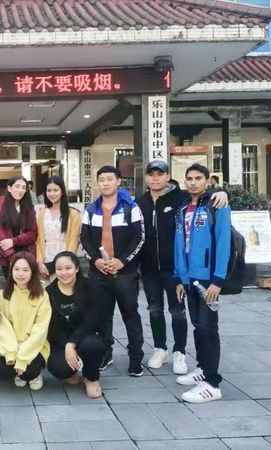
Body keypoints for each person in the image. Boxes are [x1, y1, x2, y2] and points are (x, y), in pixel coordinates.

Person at [136, 160, 228, 375]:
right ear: (146, 177)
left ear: (168, 176)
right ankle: (160, 348)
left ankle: (180, 351)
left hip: (177, 268)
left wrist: (222, 192)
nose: (155, 178)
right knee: (154, 310)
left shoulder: (180, 199)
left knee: (178, 311)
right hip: (150, 267)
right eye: (151, 174)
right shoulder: (139, 202)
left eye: (160, 174)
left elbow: (206, 197)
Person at [80, 165, 145, 377]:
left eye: (110, 179)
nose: (105, 183)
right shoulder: (91, 210)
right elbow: (84, 239)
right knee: (102, 317)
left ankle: (136, 358)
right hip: (98, 273)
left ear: (118, 182)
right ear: (97, 183)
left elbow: (139, 237)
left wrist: (122, 261)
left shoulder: (130, 208)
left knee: (130, 316)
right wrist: (95, 260)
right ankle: (105, 354)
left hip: (125, 273)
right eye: (102, 180)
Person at [174, 163, 231, 403]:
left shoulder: (217, 204)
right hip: (189, 278)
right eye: (189, 178)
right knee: (198, 326)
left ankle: (212, 383)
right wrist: (180, 278)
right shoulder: (182, 206)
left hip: (209, 279)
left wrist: (218, 280)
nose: (193, 182)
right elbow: (179, 244)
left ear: (208, 181)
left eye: (198, 178)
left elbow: (224, 242)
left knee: (208, 328)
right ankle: (202, 368)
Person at [46, 252, 105, 398]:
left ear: (77, 268)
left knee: (94, 345)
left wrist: (71, 343)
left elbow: (93, 319)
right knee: (59, 368)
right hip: (60, 340)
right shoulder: (49, 292)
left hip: (85, 336)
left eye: (68, 268)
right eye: (59, 269)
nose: (64, 273)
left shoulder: (90, 287)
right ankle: (71, 371)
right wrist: (66, 345)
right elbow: (51, 328)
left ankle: (91, 378)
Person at [0, 252, 51, 390]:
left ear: (33, 272)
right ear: (11, 270)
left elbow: (41, 328)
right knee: (2, 372)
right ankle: (19, 372)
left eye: (26, 270)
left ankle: (35, 374)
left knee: (29, 372)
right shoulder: (4, 293)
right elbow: (3, 325)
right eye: (17, 269)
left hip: (35, 344)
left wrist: (22, 357)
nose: (20, 274)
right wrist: (12, 351)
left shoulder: (42, 295)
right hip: (12, 343)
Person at [0, 176, 38, 279]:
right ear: (9, 188)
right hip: (9, 259)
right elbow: (0, 239)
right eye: (17, 186)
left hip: (28, 256)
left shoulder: (30, 210)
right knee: (11, 287)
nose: (20, 190)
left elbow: (33, 235)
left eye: (24, 188)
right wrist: (14, 260)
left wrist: (13, 241)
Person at [36, 176, 81, 278]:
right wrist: (39, 262)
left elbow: (74, 241)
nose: (52, 194)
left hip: (65, 262)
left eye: (55, 190)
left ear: (62, 192)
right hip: (46, 261)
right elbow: (39, 240)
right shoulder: (42, 213)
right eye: (49, 190)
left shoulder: (73, 214)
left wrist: (66, 264)